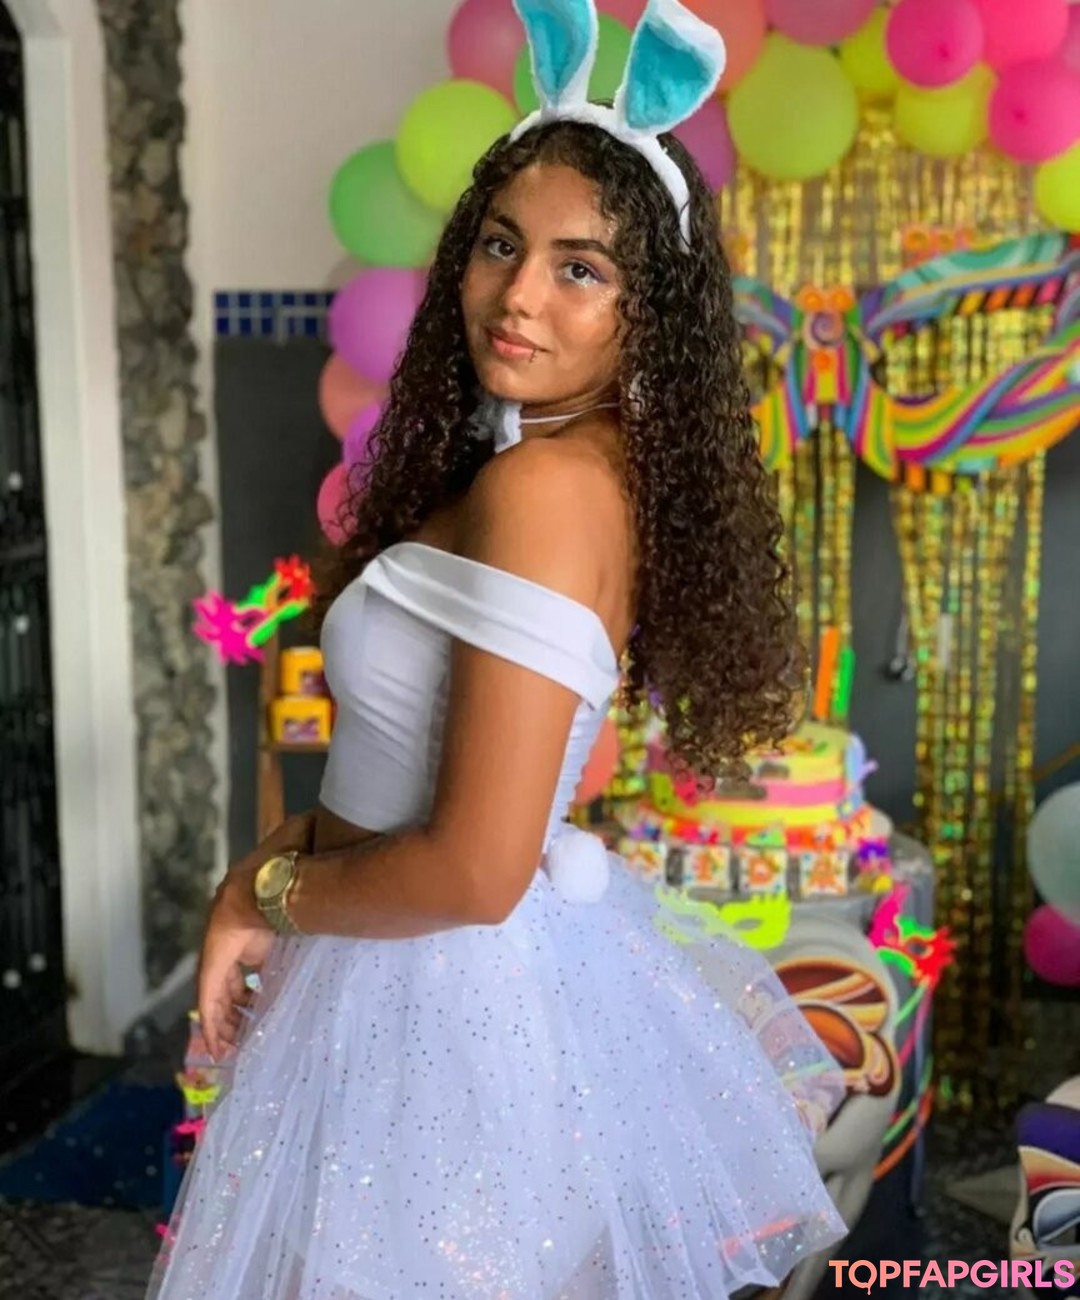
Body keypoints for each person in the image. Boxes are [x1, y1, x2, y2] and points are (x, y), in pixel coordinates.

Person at [148, 2, 847, 1296]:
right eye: (501, 245)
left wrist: (263, 896)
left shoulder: (545, 492)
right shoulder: (535, 464)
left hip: (434, 1010)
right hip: (409, 974)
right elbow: (402, 780)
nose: (519, 295)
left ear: (649, 313)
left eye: (582, 269)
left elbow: (474, 870)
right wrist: (270, 863)